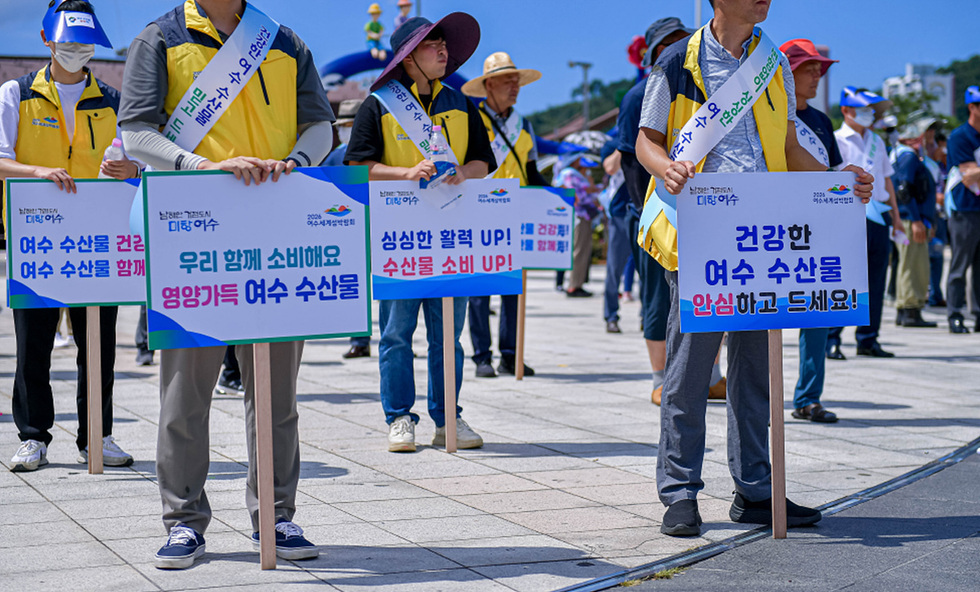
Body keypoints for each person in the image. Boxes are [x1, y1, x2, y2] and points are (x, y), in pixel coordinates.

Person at [635, 0, 874, 536]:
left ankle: (756, 490)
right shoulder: (677, 62)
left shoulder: (774, 64)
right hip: (700, 229)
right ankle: (679, 491)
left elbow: (788, 148)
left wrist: (838, 180)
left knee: (756, 370)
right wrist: (666, 168)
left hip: (759, 237)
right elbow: (645, 143)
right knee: (691, 369)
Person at [119, 0, 335, 568]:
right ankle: (184, 520)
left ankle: (278, 517)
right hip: (195, 230)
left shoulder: (284, 41)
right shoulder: (159, 38)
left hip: (278, 229)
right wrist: (199, 166)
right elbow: (137, 133)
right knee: (185, 391)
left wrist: (293, 160)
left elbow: (321, 126)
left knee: (276, 393)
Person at [345, 13, 494, 452]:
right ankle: (398, 417)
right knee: (395, 333)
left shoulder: (463, 103)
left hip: (452, 236)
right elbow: (358, 167)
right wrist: (406, 172)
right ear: (409, 57)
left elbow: (483, 162)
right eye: (433, 45)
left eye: (445, 44)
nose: (444, 50)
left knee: (448, 333)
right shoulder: (378, 104)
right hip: (399, 239)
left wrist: (463, 173)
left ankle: (449, 418)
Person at [1, 0, 138, 472]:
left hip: (99, 242)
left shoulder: (114, 101)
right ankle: (34, 437)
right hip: (38, 240)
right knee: (32, 346)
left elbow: (142, 163)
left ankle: (96, 436)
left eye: (84, 44)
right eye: (67, 42)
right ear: (47, 40)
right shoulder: (16, 94)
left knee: (97, 348)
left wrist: (132, 167)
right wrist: (35, 169)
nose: (76, 51)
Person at [617, 16, 698, 405]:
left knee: (703, 295)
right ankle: (659, 378)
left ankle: (709, 375)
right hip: (655, 212)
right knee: (656, 299)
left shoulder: (705, 85)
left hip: (700, 212)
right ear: (653, 54)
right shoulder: (639, 94)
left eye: (685, 41)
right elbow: (632, 158)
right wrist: (640, 209)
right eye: (670, 44)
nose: (679, 49)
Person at [461, 51, 544, 377]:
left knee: (514, 287)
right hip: (479, 212)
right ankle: (482, 356)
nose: (515, 87)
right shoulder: (471, 120)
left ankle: (511, 354)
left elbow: (533, 171)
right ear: (489, 85)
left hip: (517, 213)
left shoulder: (524, 125)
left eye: (517, 82)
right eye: (508, 81)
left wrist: (556, 201)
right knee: (480, 288)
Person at [778, 38, 844, 423]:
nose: (817, 73)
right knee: (761, 316)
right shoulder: (769, 115)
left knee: (817, 310)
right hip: (776, 227)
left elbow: (833, 173)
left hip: (816, 225)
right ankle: (757, 400)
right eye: (809, 67)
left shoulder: (822, 121)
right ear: (786, 71)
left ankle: (808, 397)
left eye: (820, 67)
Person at [826, 86, 903, 359]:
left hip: (878, 214)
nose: (868, 115)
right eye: (862, 110)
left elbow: (887, 180)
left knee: (876, 278)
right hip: (847, 216)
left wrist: (896, 216)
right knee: (843, 278)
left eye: (871, 111)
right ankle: (832, 338)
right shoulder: (836, 139)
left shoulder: (878, 141)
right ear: (846, 111)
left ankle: (868, 338)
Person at [325, 99, 372, 359]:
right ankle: (359, 338)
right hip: (345, 227)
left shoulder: (373, 154)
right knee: (357, 285)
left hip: (371, 223)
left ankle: (361, 339)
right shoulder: (333, 155)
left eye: (350, 125)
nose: (345, 130)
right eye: (342, 125)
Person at [891, 118, 938, 328]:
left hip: (912, 218)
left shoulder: (908, 156)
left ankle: (905, 309)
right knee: (914, 265)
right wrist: (917, 219)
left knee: (909, 263)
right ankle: (911, 310)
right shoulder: (908, 156)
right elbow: (904, 191)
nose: (928, 136)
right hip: (912, 220)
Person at [945, 85, 980, 333]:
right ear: (972, 107)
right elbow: (969, 177)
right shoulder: (960, 136)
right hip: (964, 209)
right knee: (960, 263)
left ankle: (978, 313)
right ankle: (955, 313)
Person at [555, 152, 601, 297]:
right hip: (579, 215)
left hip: (581, 215)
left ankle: (577, 284)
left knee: (582, 250)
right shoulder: (569, 173)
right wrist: (591, 187)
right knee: (579, 250)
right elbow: (575, 195)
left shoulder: (570, 173)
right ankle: (574, 286)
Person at [599, 140, 631, 334]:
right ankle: (611, 316)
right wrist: (625, 143)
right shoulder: (613, 141)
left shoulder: (655, 130)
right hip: (620, 212)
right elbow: (610, 167)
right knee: (614, 268)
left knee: (648, 272)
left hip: (645, 209)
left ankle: (648, 317)